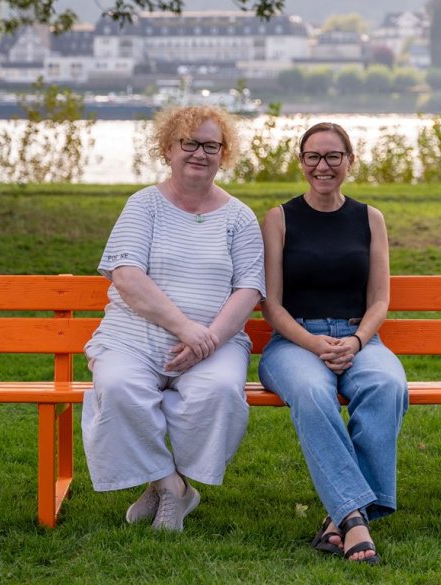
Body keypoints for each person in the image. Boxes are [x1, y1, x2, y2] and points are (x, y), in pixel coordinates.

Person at [82, 105, 265, 532]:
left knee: (218, 391)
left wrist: (211, 339)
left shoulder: (239, 217)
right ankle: (172, 486)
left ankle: (163, 485)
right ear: (168, 148)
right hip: (133, 337)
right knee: (117, 386)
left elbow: (249, 289)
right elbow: (127, 276)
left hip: (215, 345)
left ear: (224, 154)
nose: (200, 153)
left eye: (211, 146)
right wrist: (188, 330)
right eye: (190, 143)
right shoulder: (143, 206)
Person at [258, 122, 408, 564]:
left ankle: (340, 514)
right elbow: (271, 306)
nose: (322, 166)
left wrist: (359, 341)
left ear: (350, 162)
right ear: (301, 162)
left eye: (332, 157)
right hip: (294, 343)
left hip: (360, 338)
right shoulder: (279, 218)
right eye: (313, 157)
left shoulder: (370, 218)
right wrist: (313, 342)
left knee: (387, 386)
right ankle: (357, 520)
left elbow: (380, 299)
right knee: (311, 391)